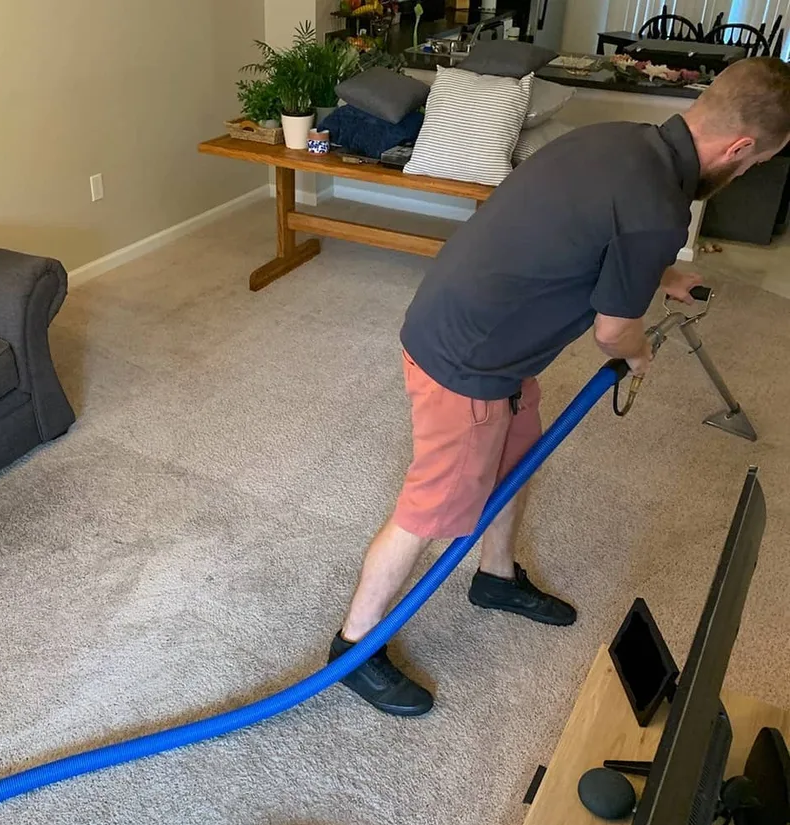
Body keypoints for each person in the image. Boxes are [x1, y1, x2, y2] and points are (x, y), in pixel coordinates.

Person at [328, 56, 790, 717]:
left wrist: (657, 276)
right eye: (752, 164)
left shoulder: (621, 140)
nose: (744, 174)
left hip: (485, 336)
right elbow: (612, 332)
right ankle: (351, 647)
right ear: (740, 147)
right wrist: (637, 358)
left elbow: (584, 238)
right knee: (432, 508)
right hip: (470, 362)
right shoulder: (659, 208)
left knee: (518, 460)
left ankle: (494, 578)